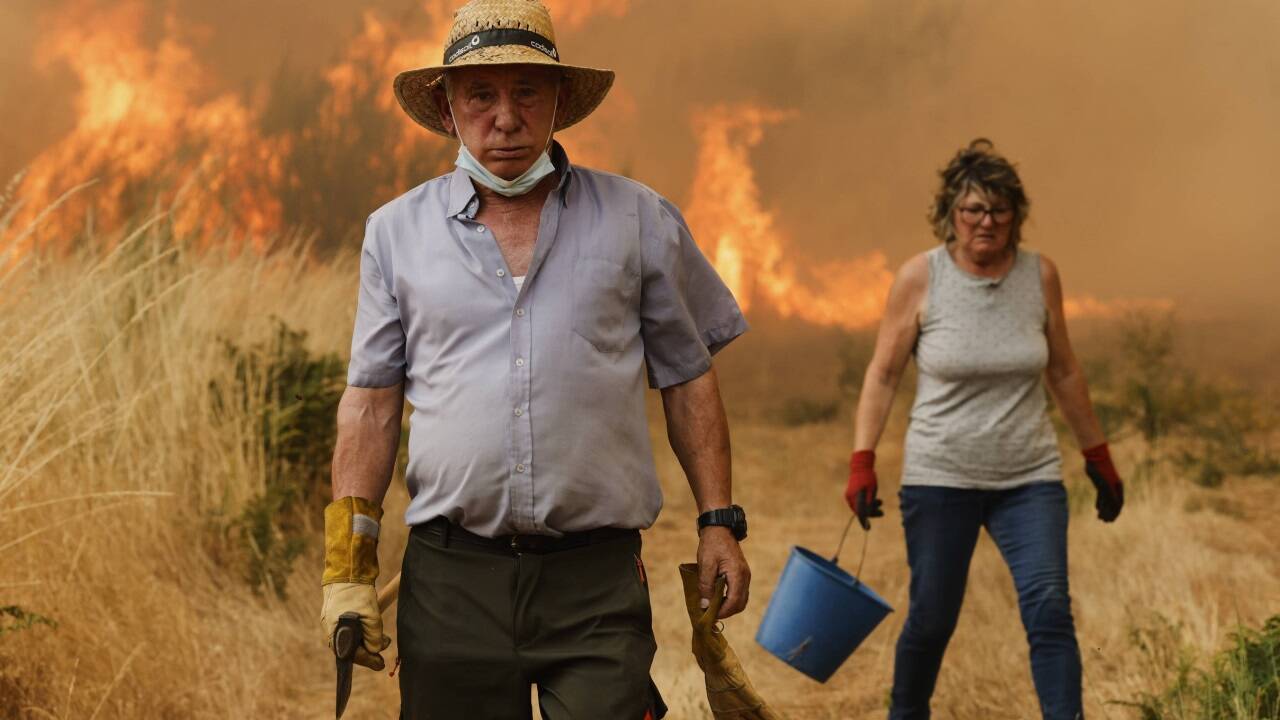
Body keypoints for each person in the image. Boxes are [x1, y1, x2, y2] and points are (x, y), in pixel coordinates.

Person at [318, 1, 753, 717]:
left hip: (597, 581)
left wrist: (719, 523)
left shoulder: (639, 218)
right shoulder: (395, 233)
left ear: (558, 100)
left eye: (527, 91)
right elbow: (371, 403)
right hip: (451, 581)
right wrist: (347, 569)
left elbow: (687, 376)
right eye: (481, 95)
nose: (506, 118)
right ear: (447, 105)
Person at [844, 139, 1124, 720]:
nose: (986, 222)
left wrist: (1098, 456)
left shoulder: (1040, 275)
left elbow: (1064, 370)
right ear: (950, 213)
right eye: (973, 210)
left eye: (999, 210)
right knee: (932, 618)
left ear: (1017, 216)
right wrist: (862, 460)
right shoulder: (921, 278)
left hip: (1030, 476)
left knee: (1050, 610)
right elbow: (883, 373)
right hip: (941, 476)